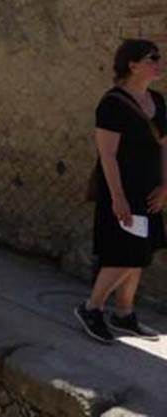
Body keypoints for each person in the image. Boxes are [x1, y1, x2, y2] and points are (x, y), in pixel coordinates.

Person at [75, 39, 165, 344]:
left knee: (141, 253)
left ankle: (124, 313)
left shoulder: (158, 101)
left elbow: (164, 146)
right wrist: (118, 197)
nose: (159, 63)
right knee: (126, 254)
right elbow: (108, 155)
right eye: (152, 58)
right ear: (133, 64)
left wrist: (166, 187)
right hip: (122, 191)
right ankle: (92, 307)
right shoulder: (112, 103)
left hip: (149, 191)